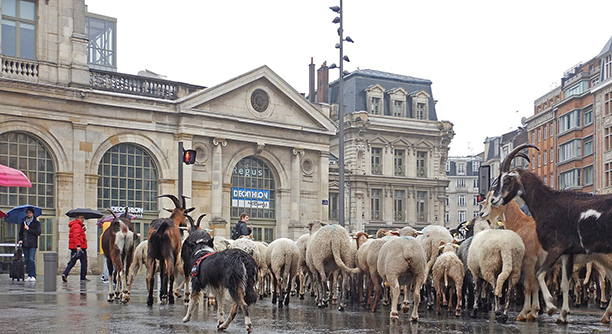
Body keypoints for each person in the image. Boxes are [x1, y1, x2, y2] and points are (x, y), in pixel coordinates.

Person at [62, 214, 89, 282]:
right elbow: (76, 236)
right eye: (82, 218)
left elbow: (78, 235)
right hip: (80, 247)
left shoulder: (77, 225)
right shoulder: (77, 225)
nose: (83, 219)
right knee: (84, 262)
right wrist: (78, 246)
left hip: (75, 246)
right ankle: (83, 277)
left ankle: (65, 273)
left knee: (72, 261)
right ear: (78, 218)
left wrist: (83, 230)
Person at [18, 208, 41, 282]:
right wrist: (20, 239)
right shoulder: (23, 222)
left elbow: (38, 232)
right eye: (27, 213)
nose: (29, 214)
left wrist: (29, 229)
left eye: (30, 213)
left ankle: (33, 275)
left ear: (33, 214)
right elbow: (20, 232)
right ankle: (29, 274)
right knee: (27, 260)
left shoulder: (36, 223)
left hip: (32, 244)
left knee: (31, 259)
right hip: (25, 243)